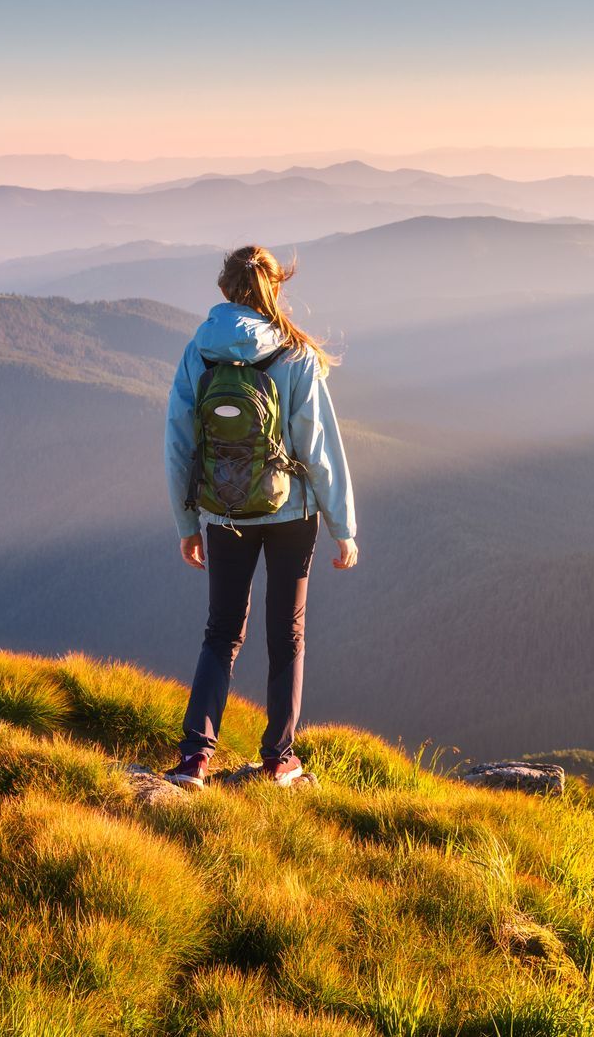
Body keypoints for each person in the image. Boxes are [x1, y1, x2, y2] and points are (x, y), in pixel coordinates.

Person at [163, 245, 358, 789]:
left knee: (221, 631)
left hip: (224, 513)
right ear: (276, 287)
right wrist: (344, 528)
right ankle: (278, 758)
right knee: (286, 634)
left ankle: (194, 758)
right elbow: (319, 450)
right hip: (292, 513)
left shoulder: (197, 354)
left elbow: (179, 443)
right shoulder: (295, 356)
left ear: (224, 290)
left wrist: (186, 523)